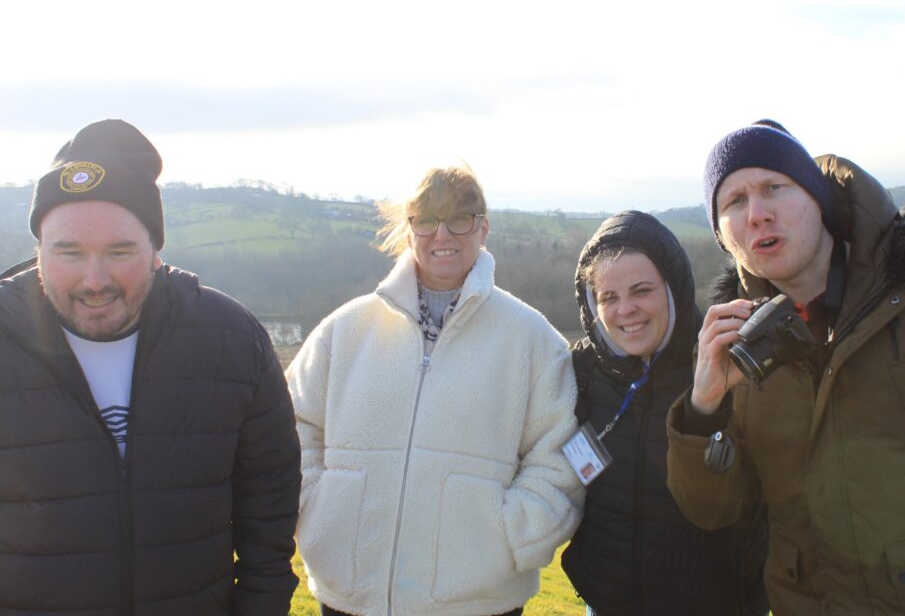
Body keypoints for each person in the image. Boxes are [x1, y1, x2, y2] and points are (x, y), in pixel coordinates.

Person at [666, 120, 905, 615]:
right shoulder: (735, 349)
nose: (758, 214)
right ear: (724, 237)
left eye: (774, 187)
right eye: (734, 203)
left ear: (817, 200)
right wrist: (704, 410)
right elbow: (714, 510)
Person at [0, 119, 301, 616]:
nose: (94, 279)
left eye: (119, 252)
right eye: (68, 252)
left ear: (156, 251)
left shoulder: (231, 341)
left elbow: (268, 510)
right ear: (37, 252)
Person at [287, 166, 583, 616]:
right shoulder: (345, 330)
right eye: (427, 220)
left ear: (483, 227)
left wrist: (510, 539)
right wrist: (317, 513)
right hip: (350, 599)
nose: (442, 233)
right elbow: (293, 427)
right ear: (409, 232)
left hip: (479, 603)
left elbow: (559, 455)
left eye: (459, 219)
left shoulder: (532, 339)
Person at [561, 210, 769, 616]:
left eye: (641, 291)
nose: (625, 310)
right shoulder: (581, 372)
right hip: (607, 603)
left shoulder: (724, 362)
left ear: (673, 288)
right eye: (608, 297)